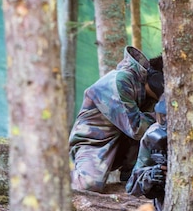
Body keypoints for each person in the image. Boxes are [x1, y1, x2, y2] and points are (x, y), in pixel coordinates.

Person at [69, 46, 164, 192]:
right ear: (158, 81)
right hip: (93, 142)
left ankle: (130, 176)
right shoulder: (120, 81)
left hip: (124, 142)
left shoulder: (148, 93)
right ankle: (56, 179)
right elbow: (137, 129)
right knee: (88, 185)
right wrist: (166, 117)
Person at [125, 97, 167, 211]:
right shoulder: (154, 135)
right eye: (164, 117)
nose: (168, 121)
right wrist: (151, 175)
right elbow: (131, 186)